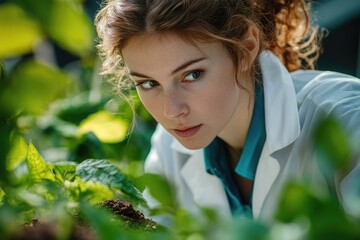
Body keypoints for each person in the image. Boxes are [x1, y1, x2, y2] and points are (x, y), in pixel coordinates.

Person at [94, 0, 360, 225]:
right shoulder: (168, 151)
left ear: (246, 48)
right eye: (148, 83)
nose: (171, 111)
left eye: (192, 75)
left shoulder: (347, 119)